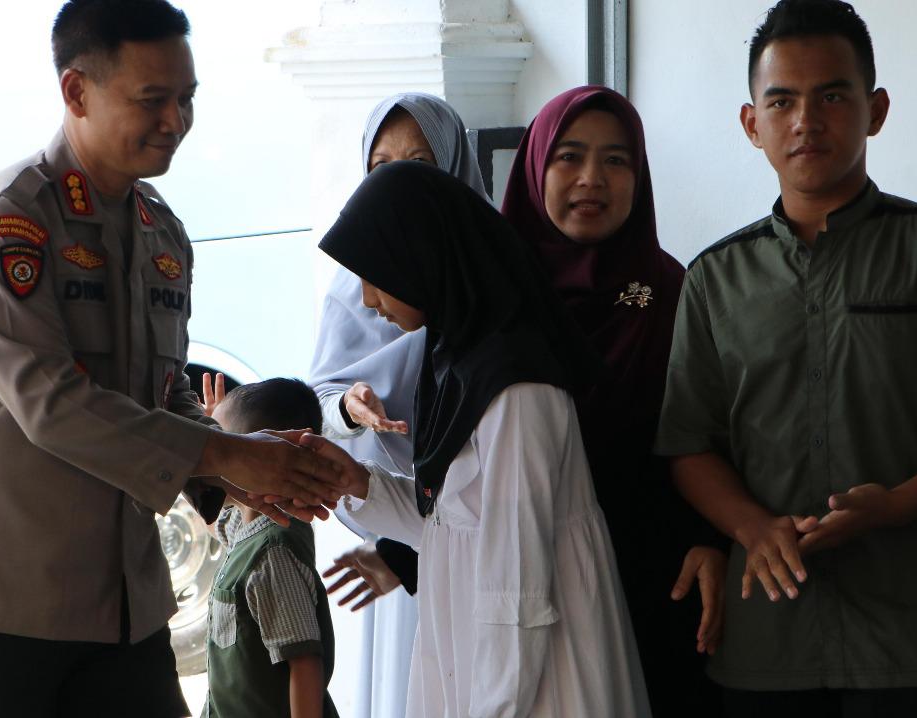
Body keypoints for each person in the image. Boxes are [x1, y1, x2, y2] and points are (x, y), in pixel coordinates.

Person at [0, 2, 342, 715]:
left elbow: (165, 395)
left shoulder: (161, 231)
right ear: (77, 91)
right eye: (152, 99)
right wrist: (228, 454)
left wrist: (235, 476)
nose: (176, 120)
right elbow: (53, 406)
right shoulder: (2, 223)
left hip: (126, 610)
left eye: (187, 98)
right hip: (0, 608)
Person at [654, 1, 917, 715]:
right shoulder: (715, 278)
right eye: (781, 101)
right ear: (752, 123)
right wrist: (752, 526)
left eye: (832, 97)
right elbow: (689, 445)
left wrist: (898, 504)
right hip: (765, 643)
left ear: (876, 110)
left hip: (912, 641)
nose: (806, 121)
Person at [306, 160, 650, 717]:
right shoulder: (456, 364)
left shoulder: (517, 389)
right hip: (480, 654)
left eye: (375, 274)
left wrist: (492, 708)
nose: (367, 299)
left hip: (532, 676)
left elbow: (519, 593)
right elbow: (455, 527)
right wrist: (361, 483)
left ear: (422, 256)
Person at [499, 85, 724, 713]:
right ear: (535, 166)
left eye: (616, 160)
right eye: (569, 156)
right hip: (520, 580)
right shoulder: (493, 298)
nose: (592, 178)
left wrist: (712, 538)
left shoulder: (671, 290)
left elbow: (716, 428)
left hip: (656, 578)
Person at [307, 91, 486, 718]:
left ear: (455, 169)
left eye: (420, 164)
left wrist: (399, 559)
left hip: (480, 538)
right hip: (394, 522)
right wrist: (348, 407)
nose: (402, 185)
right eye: (383, 168)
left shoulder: (494, 273)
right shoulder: (352, 282)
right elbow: (321, 398)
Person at [203, 378, 339, 718]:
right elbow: (212, 520)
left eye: (224, 448)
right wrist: (206, 435)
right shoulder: (245, 526)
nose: (209, 456)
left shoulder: (273, 551)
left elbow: (304, 663)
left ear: (266, 463)